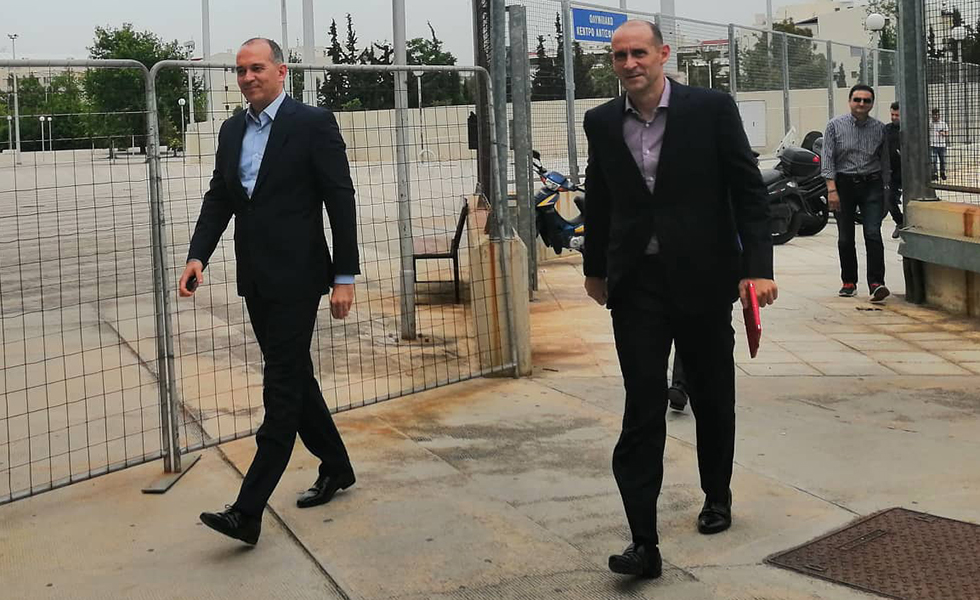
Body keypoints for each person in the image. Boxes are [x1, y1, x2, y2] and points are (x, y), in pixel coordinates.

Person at [582, 20, 777, 579]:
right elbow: (600, 195)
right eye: (619, 55)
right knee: (642, 405)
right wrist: (595, 268)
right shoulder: (601, 121)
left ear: (663, 54)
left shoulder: (710, 110)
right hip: (637, 285)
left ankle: (717, 493)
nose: (629, 63)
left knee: (713, 396)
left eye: (638, 53)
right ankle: (643, 542)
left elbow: (747, 192)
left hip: (703, 279)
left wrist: (756, 270)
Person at [179, 38, 360, 545]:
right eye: (240, 71)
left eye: (256, 68)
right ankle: (337, 465)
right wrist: (198, 255)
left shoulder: (313, 123)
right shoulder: (232, 129)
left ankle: (248, 510)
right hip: (256, 277)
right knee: (294, 374)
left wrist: (344, 276)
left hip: (300, 276)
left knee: (280, 388)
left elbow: (340, 200)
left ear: (281, 71)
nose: (247, 77)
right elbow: (221, 196)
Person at [821, 85, 891, 303]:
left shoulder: (879, 128)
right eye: (857, 99)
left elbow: (885, 160)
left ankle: (876, 283)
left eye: (866, 100)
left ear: (872, 104)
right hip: (844, 186)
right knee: (845, 236)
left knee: (873, 233)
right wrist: (832, 189)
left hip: (872, 184)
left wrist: (886, 189)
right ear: (850, 101)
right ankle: (849, 282)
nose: (861, 104)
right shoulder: (834, 126)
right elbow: (828, 158)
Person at [884, 102, 903, 239]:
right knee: (889, 200)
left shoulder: (909, 130)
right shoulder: (887, 129)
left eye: (897, 115)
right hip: (892, 172)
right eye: (892, 114)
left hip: (907, 171)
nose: (894, 117)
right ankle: (900, 222)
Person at [929, 108, 949, 181]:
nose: (935, 117)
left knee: (943, 160)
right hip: (933, 145)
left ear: (939, 115)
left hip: (942, 145)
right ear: (932, 115)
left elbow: (947, 133)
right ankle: (934, 174)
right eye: (934, 115)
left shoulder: (943, 124)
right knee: (933, 161)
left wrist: (943, 133)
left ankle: (942, 173)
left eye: (937, 115)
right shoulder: (930, 124)